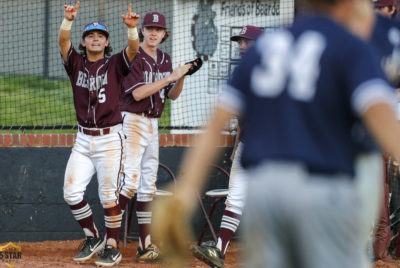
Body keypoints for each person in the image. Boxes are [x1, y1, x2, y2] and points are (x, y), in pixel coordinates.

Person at [152, 0, 400, 267]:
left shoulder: (267, 47)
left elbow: (215, 123)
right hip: (322, 183)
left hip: (267, 188)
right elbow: (380, 116)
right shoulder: (351, 46)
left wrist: (187, 193)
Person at [58, 2, 139, 266]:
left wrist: (132, 30)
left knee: (108, 197)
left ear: (106, 43)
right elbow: (62, 42)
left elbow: (133, 49)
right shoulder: (75, 64)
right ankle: (93, 236)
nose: (96, 39)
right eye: (91, 35)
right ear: (83, 42)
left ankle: (112, 244)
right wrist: (68, 21)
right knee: (71, 193)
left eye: (101, 36)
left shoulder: (115, 64)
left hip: (109, 139)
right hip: (83, 139)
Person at [118, 11, 191, 263]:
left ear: (164, 34)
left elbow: (172, 95)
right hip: (133, 120)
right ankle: (109, 240)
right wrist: (169, 77)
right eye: (149, 28)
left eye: (158, 29)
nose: (153, 32)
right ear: (142, 31)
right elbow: (137, 94)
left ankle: (145, 244)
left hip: (152, 124)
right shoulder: (133, 56)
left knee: (147, 184)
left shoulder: (165, 58)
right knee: (129, 182)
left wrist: (179, 78)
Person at [190, 25, 262, 268]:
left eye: (247, 42)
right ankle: (219, 251)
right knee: (235, 199)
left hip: (272, 150)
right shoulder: (242, 71)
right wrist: (234, 148)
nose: (242, 46)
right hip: (246, 145)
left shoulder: (273, 69)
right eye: (240, 42)